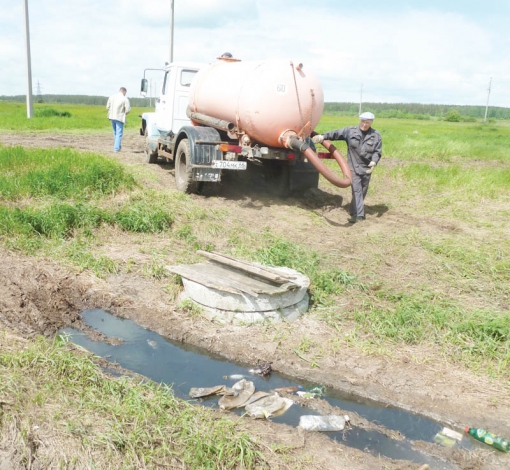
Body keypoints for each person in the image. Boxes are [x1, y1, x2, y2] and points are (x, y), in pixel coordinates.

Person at [312, 112, 382, 223]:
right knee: (357, 191)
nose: (364, 124)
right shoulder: (350, 131)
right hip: (353, 167)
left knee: (362, 192)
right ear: (360, 121)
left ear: (371, 123)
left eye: (367, 122)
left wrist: (374, 162)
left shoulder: (376, 135)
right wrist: (323, 136)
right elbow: (336, 133)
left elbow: (377, 152)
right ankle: (359, 216)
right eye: (363, 121)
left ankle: (353, 210)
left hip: (367, 168)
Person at [106, 87, 131, 152]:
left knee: (115, 132)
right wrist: (125, 112)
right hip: (119, 117)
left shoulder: (111, 97)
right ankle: (116, 148)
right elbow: (128, 110)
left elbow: (107, 107)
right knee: (119, 133)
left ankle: (118, 146)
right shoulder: (124, 99)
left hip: (111, 116)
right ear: (124, 92)